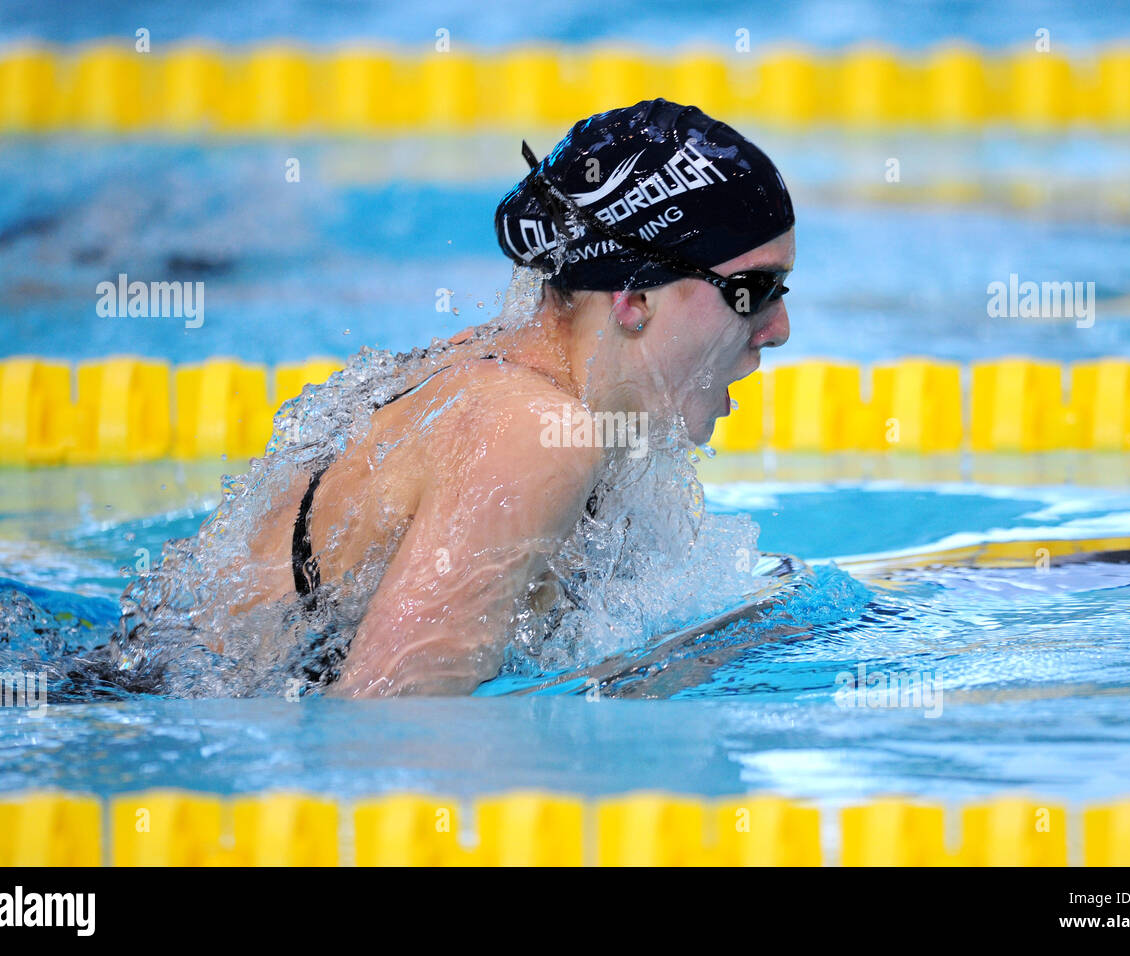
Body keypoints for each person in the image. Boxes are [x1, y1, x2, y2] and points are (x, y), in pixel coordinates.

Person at [121, 97, 796, 698]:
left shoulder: (524, 386)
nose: (779, 329)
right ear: (633, 295)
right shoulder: (530, 431)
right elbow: (390, 741)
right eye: (753, 291)